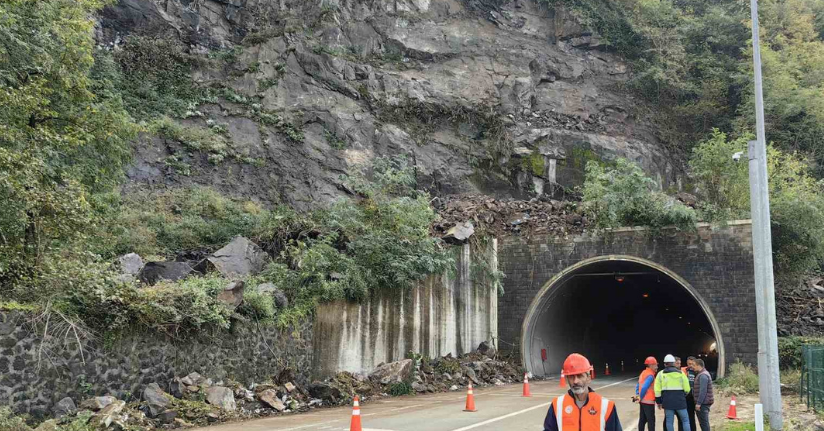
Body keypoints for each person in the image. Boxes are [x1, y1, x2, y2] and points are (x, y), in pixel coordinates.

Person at [544, 353, 623, 431]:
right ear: (567, 379)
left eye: (580, 376)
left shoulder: (606, 407)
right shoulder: (557, 405)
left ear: (588, 378)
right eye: (571, 377)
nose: (575, 381)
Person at [655, 354, 691, 431]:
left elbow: (657, 390)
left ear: (665, 364)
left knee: (669, 421)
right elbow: (687, 388)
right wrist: (683, 395)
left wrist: (659, 402)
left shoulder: (660, 374)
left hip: (667, 401)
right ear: (674, 363)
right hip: (680, 401)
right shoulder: (681, 373)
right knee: (685, 421)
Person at [634, 357, 658, 431]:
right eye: (655, 365)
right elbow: (644, 387)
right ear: (650, 365)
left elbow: (638, 385)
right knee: (651, 420)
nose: (657, 367)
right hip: (648, 401)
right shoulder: (650, 375)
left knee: (642, 419)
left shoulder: (643, 373)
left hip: (643, 401)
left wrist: (638, 395)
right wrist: (640, 397)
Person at [693, 359, 714, 431]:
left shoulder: (703, 375)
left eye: (694, 365)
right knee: (703, 423)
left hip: (703, 403)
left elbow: (703, 391)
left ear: (699, 365)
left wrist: (698, 403)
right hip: (704, 402)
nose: (693, 367)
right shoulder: (702, 374)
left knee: (704, 423)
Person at [683, 357, 698, 431]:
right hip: (685, 397)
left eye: (692, 364)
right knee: (684, 417)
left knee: (692, 417)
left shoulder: (698, 371)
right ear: (687, 363)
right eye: (689, 364)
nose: (691, 365)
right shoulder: (683, 371)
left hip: (694, 397)